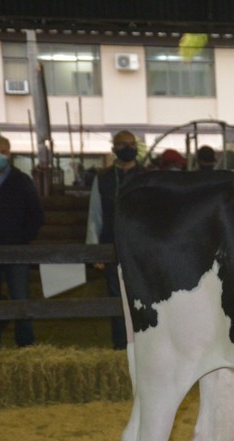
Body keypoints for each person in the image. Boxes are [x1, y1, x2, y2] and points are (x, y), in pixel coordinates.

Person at [86, 130, 145, 350]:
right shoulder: (103, 178)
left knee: (143, 297)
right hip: (112, 246)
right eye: (122, 144)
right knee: (117, 297)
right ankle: (121, 345)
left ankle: (143, 345)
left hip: (141, 248)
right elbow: (95, 215)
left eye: (131, 143)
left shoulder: (146, 176)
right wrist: (94, 250)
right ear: (113, 149)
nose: (128, 148)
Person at [0, 134, 44, 350]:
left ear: (9, 153)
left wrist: (23, 239)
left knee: (20, 296)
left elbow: (36, 214)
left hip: (17, 250)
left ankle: (25, 344)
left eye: (3, 152)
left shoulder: (22, 181)